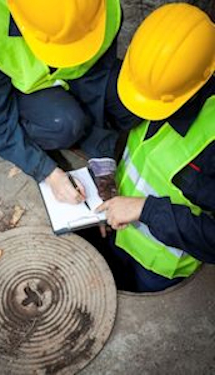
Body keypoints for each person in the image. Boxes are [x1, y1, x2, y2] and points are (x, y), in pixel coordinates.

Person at [0, 0, 138, 204]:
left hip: (75, 75)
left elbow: (97, 76)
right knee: (65, 124)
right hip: (26, 90)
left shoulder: (101, 9)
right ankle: (45, 126)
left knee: (130, 102)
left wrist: (102, 154)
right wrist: (47, 172)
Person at [96, 3, 215, 292]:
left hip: (158, 267)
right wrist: (108, 194)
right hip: (116, 227)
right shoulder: (151, 78)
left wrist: (146, 210)